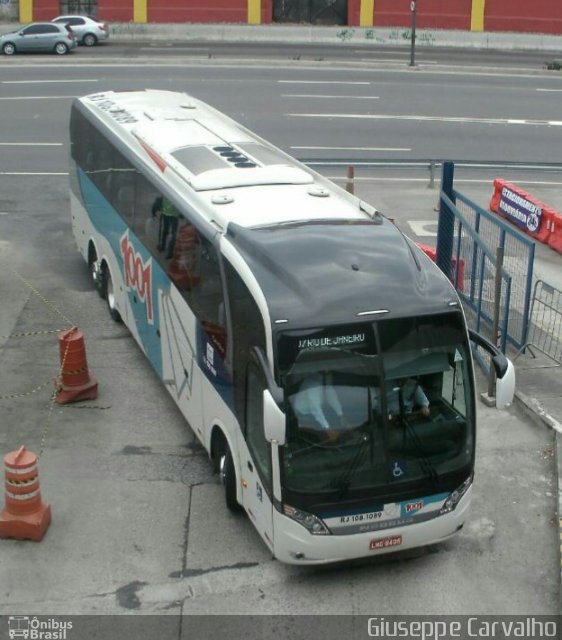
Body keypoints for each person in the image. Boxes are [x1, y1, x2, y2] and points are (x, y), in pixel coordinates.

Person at [290, 371, 347, 439]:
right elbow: (315, 409)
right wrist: (328, 429)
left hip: (318, 408)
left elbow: (331, 396)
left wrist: (341, 415)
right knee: (322, 433)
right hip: (304, 414)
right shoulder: (312, 386)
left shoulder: (324, 380)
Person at [152, 195, 180, 259]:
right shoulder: (164, 196)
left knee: (173, 235)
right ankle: (163, 246)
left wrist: (154, 213)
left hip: (173, 217)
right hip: (166, 215)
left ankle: (170, 252)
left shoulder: (173, 197)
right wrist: (154, 213)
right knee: (166, 232)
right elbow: (156, 204)